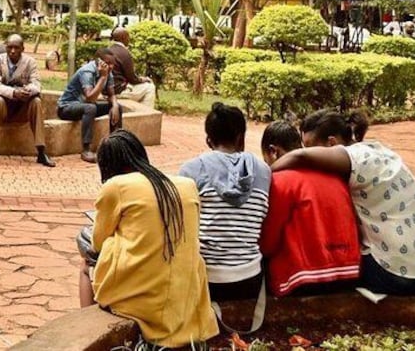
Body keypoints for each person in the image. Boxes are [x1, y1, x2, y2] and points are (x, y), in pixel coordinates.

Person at [80, 130, 219, 348]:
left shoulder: (116, 186)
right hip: (186, 299)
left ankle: (86, 334)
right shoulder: (187, 185)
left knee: (85, 257)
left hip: (139, 300)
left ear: (107, 165)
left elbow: (97, 242)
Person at [271, 110, 415, 295]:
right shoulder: (379, 151)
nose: (307, 151)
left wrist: (264, 174)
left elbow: (299, 157)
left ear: (331, 143)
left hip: (397, 275)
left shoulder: (351, 157)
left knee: (330, 269)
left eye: (309, 146)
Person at [179, 103, 271, 301]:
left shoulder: (190, 170)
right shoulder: (263, 171)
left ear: (208, 140)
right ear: (241, 138)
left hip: (206, 277)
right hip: (250, 277)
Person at [259, 121, 360, 296]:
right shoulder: (334, 175)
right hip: (350, 273)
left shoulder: (280, 180)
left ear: (273, 151)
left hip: (306, 280)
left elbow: (268, 243)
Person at [0, 34, 54, 168]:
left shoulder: (30, 62)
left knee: (36, 102)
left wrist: (26, 91)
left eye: (16, 48)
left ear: (22, 48)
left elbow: (37, 84)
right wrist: (14, 93)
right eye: (10, 47)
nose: (13, 51)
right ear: (6, 47)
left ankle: (41, 152)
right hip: (3, 107)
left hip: (22, 107)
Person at [57, 48, 122, 164]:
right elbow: (90, 98)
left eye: (113, 64)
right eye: (108, 63)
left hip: (85, 107)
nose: (111, 66)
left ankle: (115, 146)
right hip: (66, 108)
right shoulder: (87, 72)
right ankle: (86, 150)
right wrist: (102, 77)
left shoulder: (108, 71)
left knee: (117, 107)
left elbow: (111, 94)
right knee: (90, 107)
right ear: (99, 61)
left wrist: (115, 105)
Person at [110, 28, 156, 109]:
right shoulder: (124, 52)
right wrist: (143, 80)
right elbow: (132, 79)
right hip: (118, 92)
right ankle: (146, 114)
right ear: (123, 38)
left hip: (106, 91)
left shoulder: (108, 50)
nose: (129, 39)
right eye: (128, 37)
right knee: (150, 87)